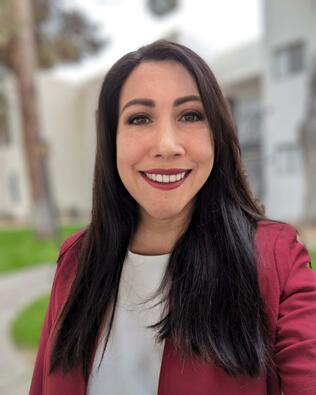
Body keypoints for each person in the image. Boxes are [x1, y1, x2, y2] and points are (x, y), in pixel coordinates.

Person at [29, 40, 316, 395]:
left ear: (217, 135)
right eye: (140, 118)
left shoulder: (276, 257)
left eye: (191, 115)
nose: (166, 145)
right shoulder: (77, 258)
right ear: (112, 140)